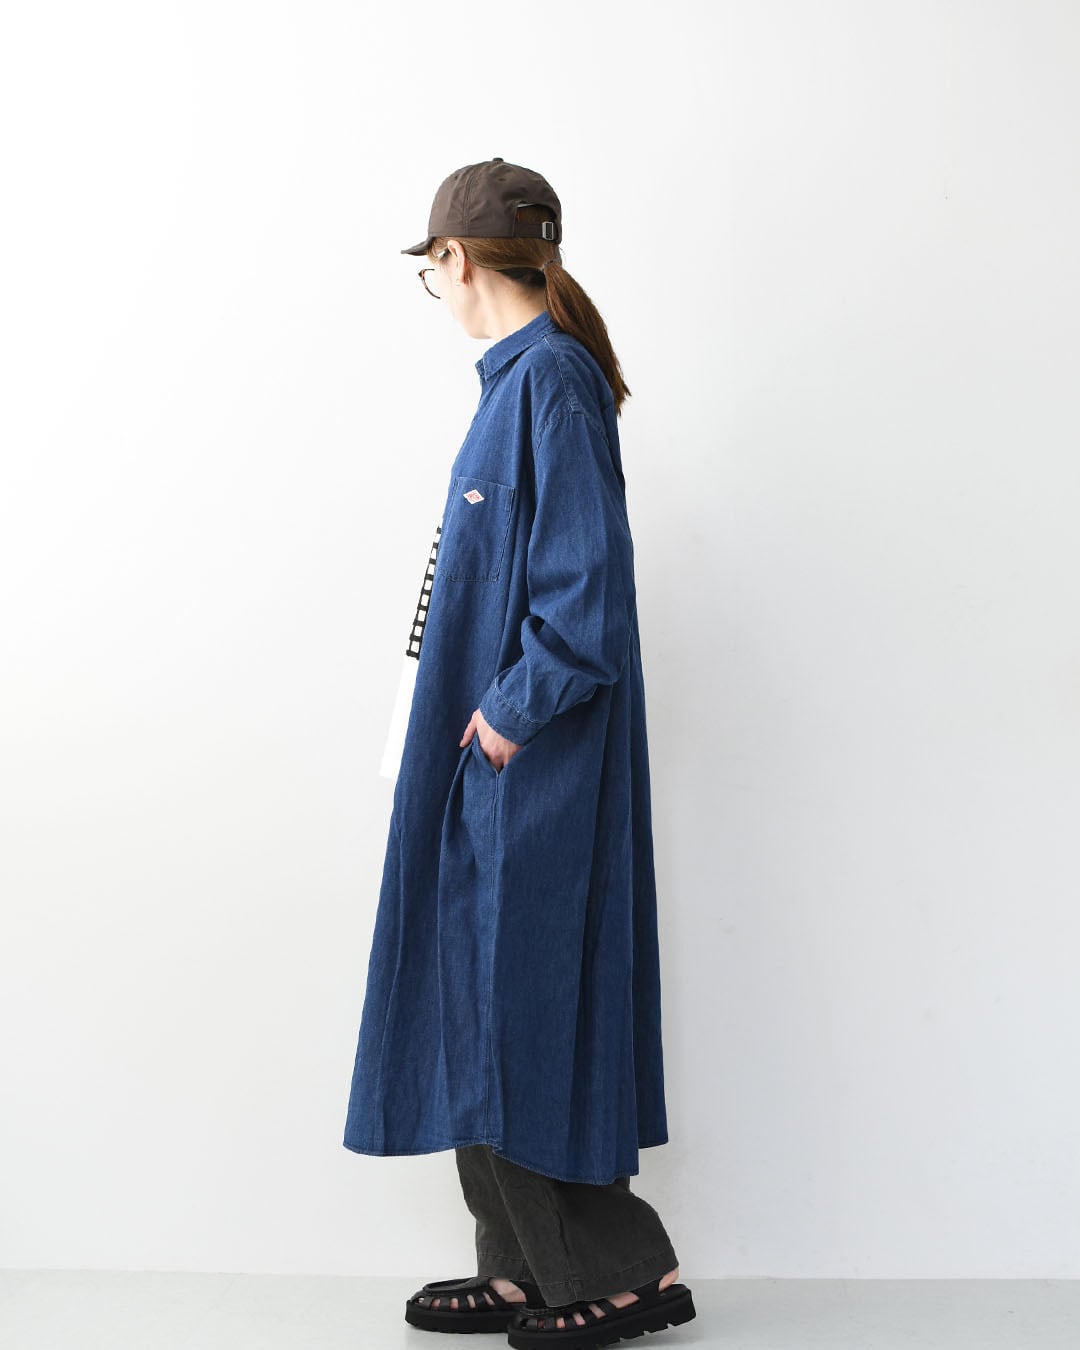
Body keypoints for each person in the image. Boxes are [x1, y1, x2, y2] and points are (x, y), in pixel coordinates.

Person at [343, 157, 696, 1349]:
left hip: (531, 765)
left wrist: (503, 719)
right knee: (469, 996)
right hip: (485, 760)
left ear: (453, 258)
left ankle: (627, 1273)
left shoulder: (551, 381)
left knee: (523, 1008)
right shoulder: (516, 383)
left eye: (430, 268)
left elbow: (585, 599)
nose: (434, 288)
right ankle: (522, 1267)